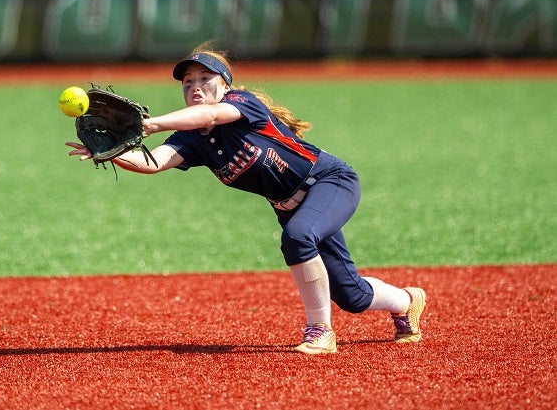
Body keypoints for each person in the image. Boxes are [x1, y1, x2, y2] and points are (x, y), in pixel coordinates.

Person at [66, 44, 427, 354]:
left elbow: (209, 114)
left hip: (330, 182)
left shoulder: (243, 104)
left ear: (225, 86)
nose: (194, 86)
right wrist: (108, 151)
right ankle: (407, 303)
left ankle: (320, 332)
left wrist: (153, 123)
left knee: (299, 237)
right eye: (187, 82)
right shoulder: (190, 139)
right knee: (352, 296)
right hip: (290, 206)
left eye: (204, 79)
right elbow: (153, 163)